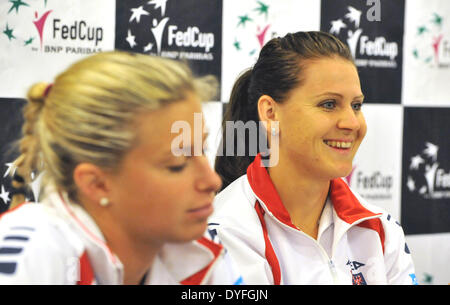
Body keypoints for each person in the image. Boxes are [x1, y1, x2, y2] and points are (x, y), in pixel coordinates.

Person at [0, 51, 242, 285]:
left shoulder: (199, 258)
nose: (212, 181)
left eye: (202, 150)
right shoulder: (33, 256)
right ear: (97, 184)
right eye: (177, 165)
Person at [210, 31, 417, 285]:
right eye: (329, 104)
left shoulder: (379, 227)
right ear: (271, 113)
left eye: (356, 105)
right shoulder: (225, 231)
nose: (352, 123)